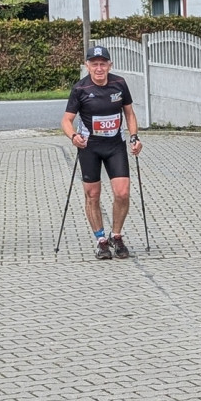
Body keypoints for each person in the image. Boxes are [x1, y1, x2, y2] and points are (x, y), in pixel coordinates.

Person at [61, 45, 143, 259]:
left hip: (115, 145)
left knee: (123, 193)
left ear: (109, 65)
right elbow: (66, 120)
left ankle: (116, 235)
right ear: (87, 66)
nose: (99, 68)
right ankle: (101, 240)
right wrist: (73, 137)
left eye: (103, 63)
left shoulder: (119, 84)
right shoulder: (80, 89)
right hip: (90, 148)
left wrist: (134, 137)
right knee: (92, 195)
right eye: (94, 64)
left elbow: (130, 114)